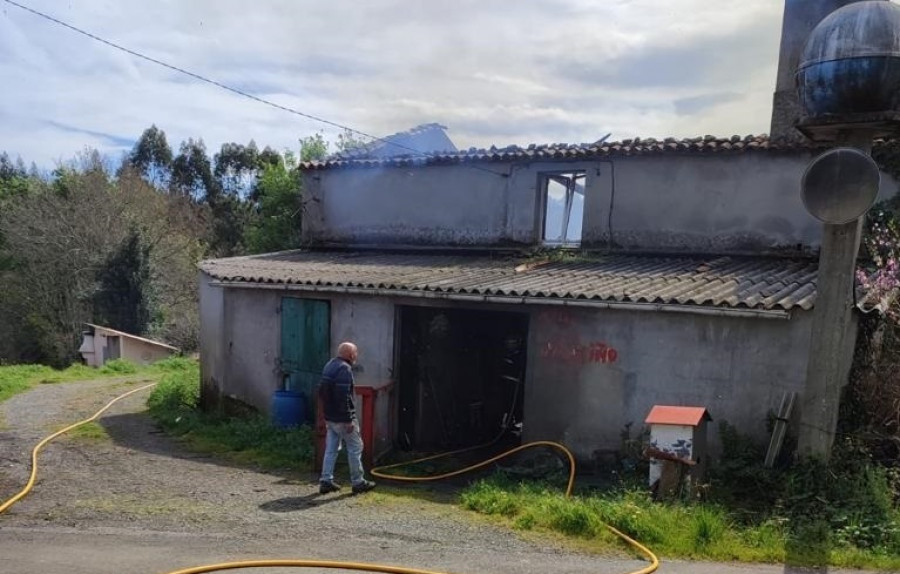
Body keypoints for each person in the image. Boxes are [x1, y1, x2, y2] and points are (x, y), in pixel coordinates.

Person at [317, 341, 376, 495]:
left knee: (331, 449)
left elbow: (322, 391)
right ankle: (358, 482)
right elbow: (344, 396)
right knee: (356, 447)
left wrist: (326, 414)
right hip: (343, 418)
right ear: (351, 355)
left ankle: (326, 480)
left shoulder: (329, 365)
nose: (356, 356)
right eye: (355, 353)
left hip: (331, 417)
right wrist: (349, 418)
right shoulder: (345, 369)